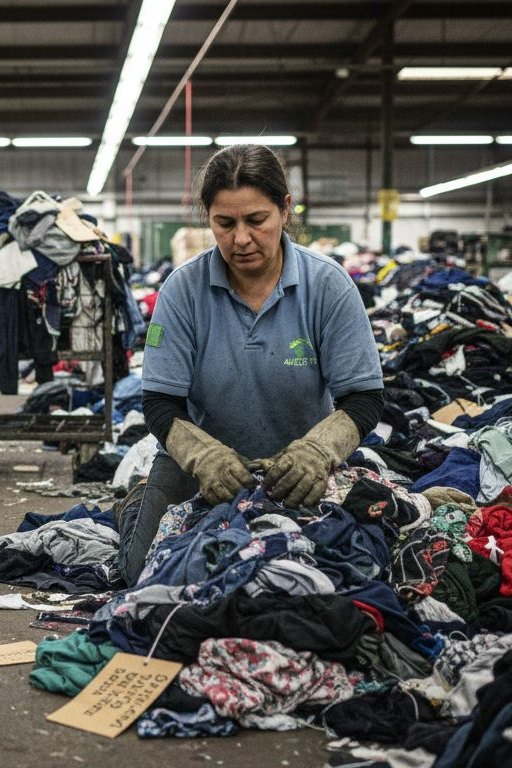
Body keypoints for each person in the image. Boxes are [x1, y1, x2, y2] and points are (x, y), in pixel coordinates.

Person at [116, 144, 384, 585]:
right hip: (198, 466)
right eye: (225, 223)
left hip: (299, 471)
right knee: (144, 575)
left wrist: (316, 453)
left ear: (285, 209)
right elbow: (160, 403)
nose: (240, 239)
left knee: (319, 575)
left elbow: (364, 397)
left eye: (256, 220)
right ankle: (135, 508)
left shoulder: (328, 285)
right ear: (209, 219)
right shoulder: (183, 291)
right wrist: (204, 457)